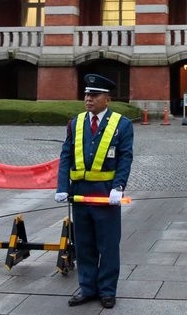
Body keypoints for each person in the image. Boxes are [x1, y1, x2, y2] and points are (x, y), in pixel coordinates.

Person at [55, 74, 134, 308]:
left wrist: (118, 187)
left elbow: (125, 158)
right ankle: (87, 287)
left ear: (107, 99)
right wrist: (62, 187)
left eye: (94, 95)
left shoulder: (122, 124)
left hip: (105, 194)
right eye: (87, 94)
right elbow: (66, 155)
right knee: (84, 244)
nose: (88, 99)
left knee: (108, 245)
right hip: (80, 194)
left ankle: (107, 290)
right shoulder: (76, 122)